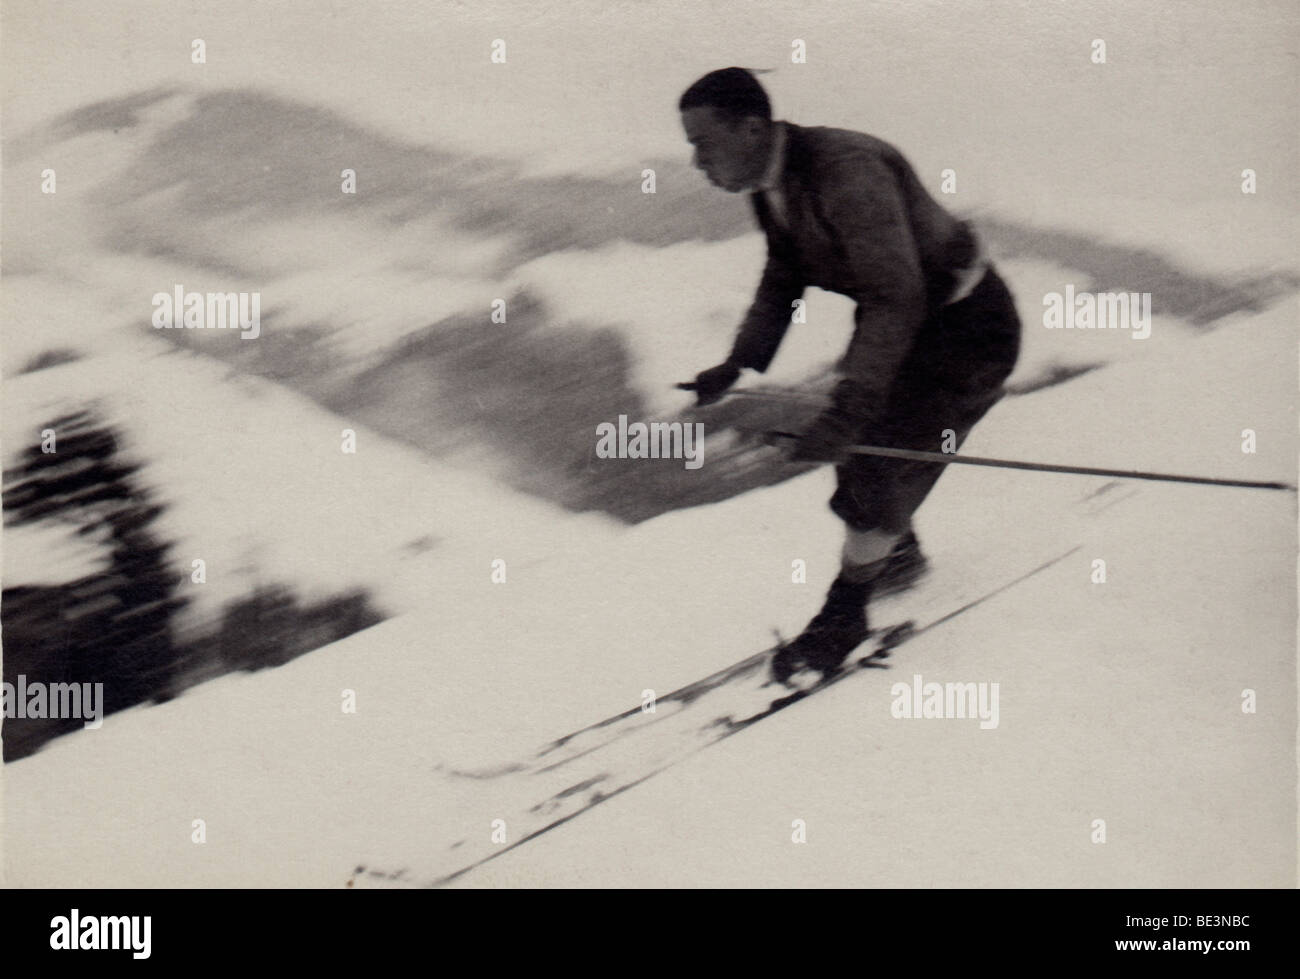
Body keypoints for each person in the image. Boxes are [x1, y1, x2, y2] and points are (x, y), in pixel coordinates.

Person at [676, 68, 1022, 682]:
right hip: (916, 324)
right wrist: (737, 361)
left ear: (751, 128)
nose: (697, 161)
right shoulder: (770, 181)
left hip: (967, 330)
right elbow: (784, 275)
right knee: (865, 446)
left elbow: (895, 297)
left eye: (703, 143)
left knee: (873, 457)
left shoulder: (847, 171)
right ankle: (893, 556)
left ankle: (844, 615)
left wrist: (851, 406)